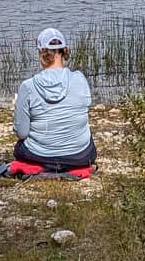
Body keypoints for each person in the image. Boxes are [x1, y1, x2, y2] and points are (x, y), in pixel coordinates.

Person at [12, 27, 96, 171]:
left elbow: (22, 133)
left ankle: (45, 165)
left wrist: (17, 108)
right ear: (64, 51)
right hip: (79, 155)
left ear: (41, 52)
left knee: (19, 148)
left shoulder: (28, 86)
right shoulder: (80, 79)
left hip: (40, 154)